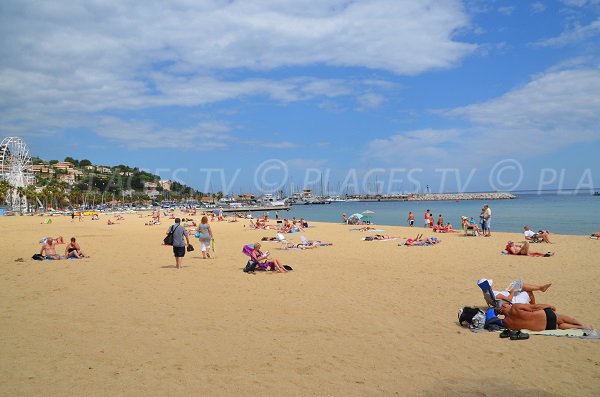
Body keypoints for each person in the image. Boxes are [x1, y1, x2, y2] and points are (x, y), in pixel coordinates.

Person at [496, 301, 590, 331]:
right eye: (508, 304)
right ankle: (583, 325)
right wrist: (549, 306)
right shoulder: (515, 307)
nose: (510, 304)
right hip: (545, 316)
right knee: (562, 318)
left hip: (546, 327)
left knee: (560, 326)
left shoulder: (506, 324)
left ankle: (580, 327)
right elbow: (535, 307)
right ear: (504, 306)